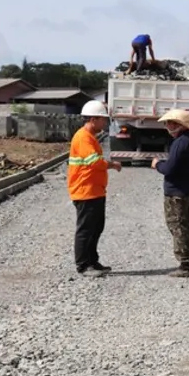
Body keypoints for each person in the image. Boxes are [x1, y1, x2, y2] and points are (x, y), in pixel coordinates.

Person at [151, 109, 189, 277]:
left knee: (178, 226)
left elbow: (170, 168)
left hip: (176, 193)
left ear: (178, 125)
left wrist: (157, 164)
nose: (167, 126)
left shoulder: (180, 143)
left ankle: (185, 265)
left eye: (170, 123)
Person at [68, 100, 122, 277]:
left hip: (95, 190)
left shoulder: (90, 137)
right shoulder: (83, 137)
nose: (105, 123)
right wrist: (112, 164)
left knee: (96, 227)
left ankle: (92, 261)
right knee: (86, 229)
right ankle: (83, 265)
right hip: (85, 191)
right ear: (93, 119)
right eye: (102, 119)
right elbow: (94, 162)